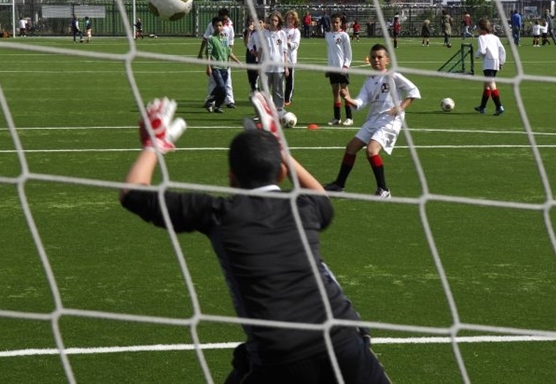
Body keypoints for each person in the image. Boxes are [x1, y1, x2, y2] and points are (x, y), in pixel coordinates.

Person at [120, 94, 391, 384]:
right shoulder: (303, 208)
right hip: (344, 341)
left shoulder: (219, 214)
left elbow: (132, 194)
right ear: (282, 173)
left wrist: (154, 146)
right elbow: (320, 197)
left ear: (231, 178)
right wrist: (281, 149)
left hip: (280, 355)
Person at [324, 44, 420, 199]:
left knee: (371, 150)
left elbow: (413, 91)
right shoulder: (369, 81)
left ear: (387, 60)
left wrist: (400, 107)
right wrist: (348, 98)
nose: (376, 60)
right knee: (351, 148)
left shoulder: (393, 75)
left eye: (380, 57)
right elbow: (360, 102)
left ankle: (384, 190)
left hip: (390, 120)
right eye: (373, 57)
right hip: (374, 119)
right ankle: (339, 185)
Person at [198, 8, 236, 109]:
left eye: (226, 19)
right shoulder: (211, 25)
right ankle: (211, 101)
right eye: (223, 19)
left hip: (225, 58)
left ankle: (229, 101)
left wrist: (229, 57)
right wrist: (200, 53)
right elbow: (205, 38)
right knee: (213, 81)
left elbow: (230, 42)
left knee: (227, 81)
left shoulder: (230, 26)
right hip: (215, 58)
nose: (224, 21)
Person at [206, 16, 241, 114]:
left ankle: (217, 106)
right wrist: (208, 67)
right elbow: (208, 54)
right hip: (216, 67)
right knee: (221, 86)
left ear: (223, 26)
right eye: (216, 26)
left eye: (220, 25)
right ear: (213, 26)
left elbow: (229, 52)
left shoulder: (224, 39)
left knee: (224, 90)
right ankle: (210, 100)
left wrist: (238, 61)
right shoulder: (211, 38)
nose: (218, 27)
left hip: (224, 67)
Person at [255, 10, 289, 113]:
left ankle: (279, 111)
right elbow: (260, 50)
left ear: (279, 22)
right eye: (272, 20)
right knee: (264, 91)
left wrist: (286, 67)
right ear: (269, 20)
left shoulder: (282, 34)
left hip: (278, 67)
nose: (273, 22)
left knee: (278, 91)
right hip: (266, 67)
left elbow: (284, 51)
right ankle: (263, 112)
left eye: (276, 20)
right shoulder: (264, 33)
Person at [325, 13, 354, 126]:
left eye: (337, 22)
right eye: (333, 22)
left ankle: (349, 117)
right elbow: (329, 53)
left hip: (342, 68)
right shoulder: (328, 35)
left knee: (344, 91)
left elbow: (348, 53)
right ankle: (337, 118)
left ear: (341, 23)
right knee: (335, 92)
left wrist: (345, 66)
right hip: (332, 68)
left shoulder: (344, 36)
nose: (335, 24)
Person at [473, 18, 506, 116]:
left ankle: (499, 106)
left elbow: (482, 51)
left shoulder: (481, 37)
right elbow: (502, 50)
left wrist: (476, 55)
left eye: (478, 27)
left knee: (491, 84)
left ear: (482, 28)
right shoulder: (495, 37)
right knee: (486, 85)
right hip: (496, 62)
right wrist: (501, 61)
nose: (477, 29)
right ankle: (482, 107)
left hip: (488, 63)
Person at [283, 10, 302, 106]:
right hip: (280, 59)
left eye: (292, 19)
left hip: (290, 59)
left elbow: (295, 45)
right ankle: (279, 98)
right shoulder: (282, 30)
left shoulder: (296, 31)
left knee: (289, 80)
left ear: (295, 20)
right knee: (279, 80)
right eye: (288, 18)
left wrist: (286, 42)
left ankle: (287, 98)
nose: (290, 20)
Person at [243, 16, 263, 93]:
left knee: (256, 75)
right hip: (250, 54)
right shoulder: (247, 31)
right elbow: (246, 44)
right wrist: (249, 32)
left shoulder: (260, 31)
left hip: (258, 55)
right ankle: (254, 90)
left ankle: (257, 90)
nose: (252, 23)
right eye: (250, 21)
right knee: (250, 75)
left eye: (253, 21)